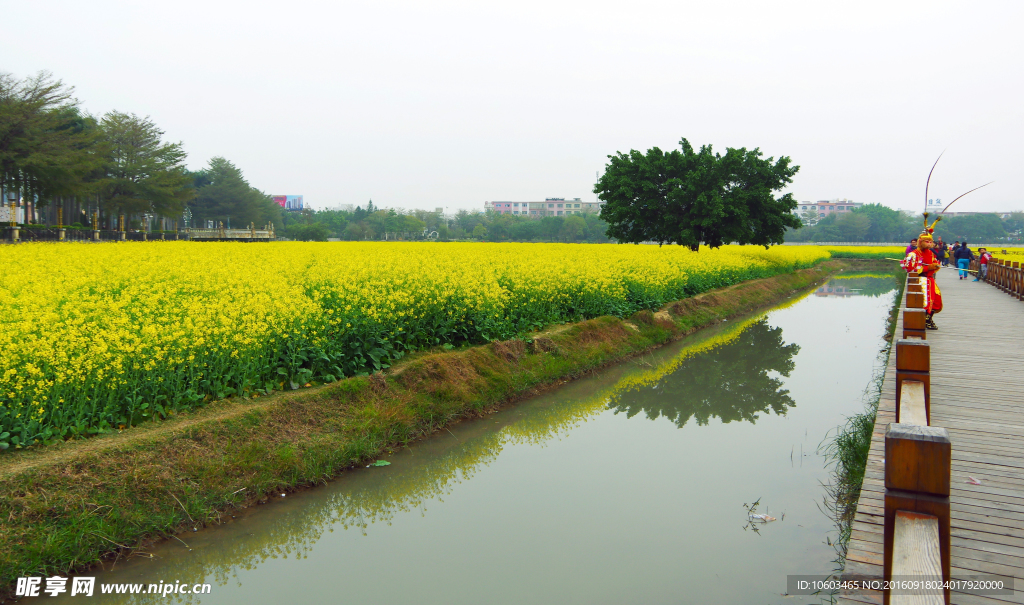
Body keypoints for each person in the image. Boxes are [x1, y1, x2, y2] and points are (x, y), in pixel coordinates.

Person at [903, 216, 942, 329]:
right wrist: (927, 268)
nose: (929, 243)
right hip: (920, 280)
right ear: (921, 242)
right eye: (927, 241)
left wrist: (935, 266)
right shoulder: (914, 254)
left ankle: (929, 319)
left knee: (936, 300)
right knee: (925, 301)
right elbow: (910, 268)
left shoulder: (931, 253)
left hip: (930, 279)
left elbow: (934, 263)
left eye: (931, 241)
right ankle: (923, 320)